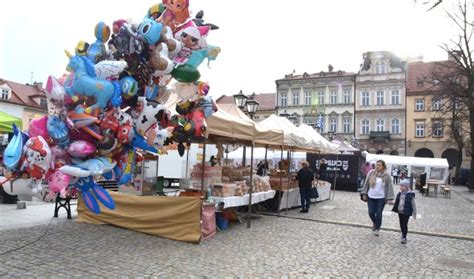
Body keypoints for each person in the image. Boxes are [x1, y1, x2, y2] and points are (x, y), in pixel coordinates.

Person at [360, 160, 394, 236]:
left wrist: (389, 198)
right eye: (376, 165)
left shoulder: (387, 176)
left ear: (383, 166)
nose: (377, 166)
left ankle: (377, 228)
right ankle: (375, 223)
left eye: (379, 165)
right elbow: (366, 184)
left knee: (379, 213)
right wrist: (364, 193)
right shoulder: (371, 173)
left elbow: (389, 187)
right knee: (371, 212)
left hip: (381, 198)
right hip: (371, 196)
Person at [391, 179, 417, 244]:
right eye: (400, 186)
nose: (401, 187)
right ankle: (403, 233)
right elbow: (397, 202)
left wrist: (414, 212)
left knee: (405, 224)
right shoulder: (399, 194)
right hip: (400, 211)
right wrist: (391, 203)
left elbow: (413, 204)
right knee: (401, 224)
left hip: (406, 212)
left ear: (406, 187)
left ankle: (404, 237)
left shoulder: (410, 195)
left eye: (402, 186)